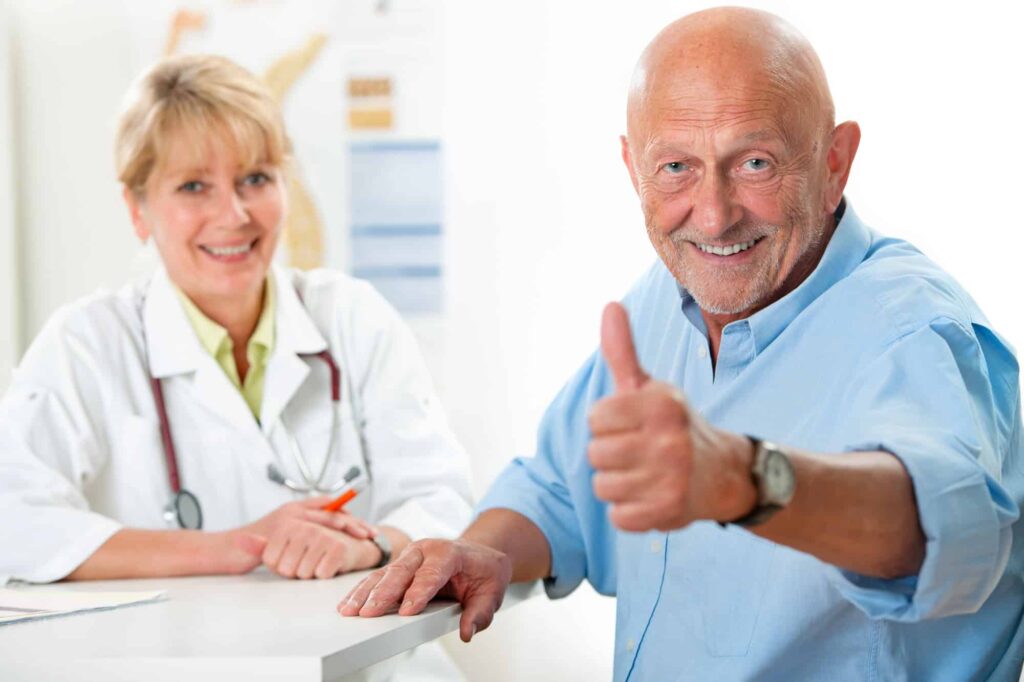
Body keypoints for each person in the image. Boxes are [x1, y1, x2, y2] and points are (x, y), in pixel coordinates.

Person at [339, 7, 1024, 680]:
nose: (714, 212)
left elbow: (941, 529)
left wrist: (740, 477)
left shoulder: (917, 331)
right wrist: (482, 550)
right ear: (632, 165)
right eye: (676, 168)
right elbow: (559, 488)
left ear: (835, 162)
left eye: (755, 162)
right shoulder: (667, 302)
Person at [0, 54, 472, 680]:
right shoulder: (87, 342)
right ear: (138, 207)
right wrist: (237, 545)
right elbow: (17, 523)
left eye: (255, 177)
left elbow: (443, 503)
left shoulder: (352, 317)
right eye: (194, 186)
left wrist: (372, 542)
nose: (235, 214)